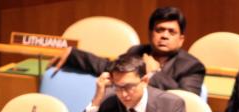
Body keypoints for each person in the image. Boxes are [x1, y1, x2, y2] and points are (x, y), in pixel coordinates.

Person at [52, 7, 205, 94]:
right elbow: (109, 66)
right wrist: (73, 54)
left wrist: (153, 74)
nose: (164, 36)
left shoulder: (191, 66)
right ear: (151, 33)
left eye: (171, 32)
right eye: (160, 30)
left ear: (181, 39)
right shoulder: (137, 51)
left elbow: (187, 101)